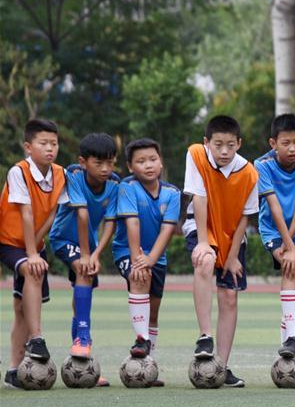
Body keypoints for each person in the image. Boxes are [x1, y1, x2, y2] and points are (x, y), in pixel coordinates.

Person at [183, 115, 259, 388]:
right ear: (207, 143)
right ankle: (205, 336)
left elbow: (244, 218)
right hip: (202, 227)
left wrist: (233, 255)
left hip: (233, 238)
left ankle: (222, 367)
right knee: (204, 261)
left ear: (239, 143)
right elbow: (199, 198)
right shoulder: (196, 155)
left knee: (229, 297)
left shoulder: (250, 173)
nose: (224, 151)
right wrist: (204, 242)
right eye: (218, 145)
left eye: (230, 145)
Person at [0, 119, 68, 389]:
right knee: (33, 269)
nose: (50, 148)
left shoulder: (60, 174)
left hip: (33, 244)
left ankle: (14, 370)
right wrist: (31, 254)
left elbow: (53, 214)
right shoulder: (19, 171)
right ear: (28, 147)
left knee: (21, 309)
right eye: (43, 143)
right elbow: (26, 213)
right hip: (8, 241)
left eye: (54, 143)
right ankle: (37, 339)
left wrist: (36, 249)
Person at [48, 133, 120, 382]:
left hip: (88, 244)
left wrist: (96, 253)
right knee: (84, 271)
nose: (105, 169)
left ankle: (80, 365)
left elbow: (109, 223)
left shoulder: (115, 184)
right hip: (63, 240)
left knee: (82, 291)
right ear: (83, 162)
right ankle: (83, 338)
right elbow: (81, 216)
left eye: (110, 163)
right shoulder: (75, 177)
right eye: (98, 163)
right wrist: (87, 257)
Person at [112, 138, 181, 387]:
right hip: (127, 252)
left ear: (160, 162)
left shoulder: (172, 193)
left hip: (156, 257)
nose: (148, 165)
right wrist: (137, 261)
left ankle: (148, 366)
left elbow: (167, 230)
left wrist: (152, 259)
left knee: (154, 312)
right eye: (141, 161)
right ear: (131, 167)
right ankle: (141, 340)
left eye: (152, 159)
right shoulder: (127, 188)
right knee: (139, 276)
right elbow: (132, 223)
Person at [254, 113, 295, 359]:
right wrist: (287, 245)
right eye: (285, 143)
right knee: (290, 267)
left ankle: (289, 348)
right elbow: (273, 205)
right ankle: (292, 337)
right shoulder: (262, 165)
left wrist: (292, 241)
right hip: (273, 228)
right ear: (273, 144)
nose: (292, 148)